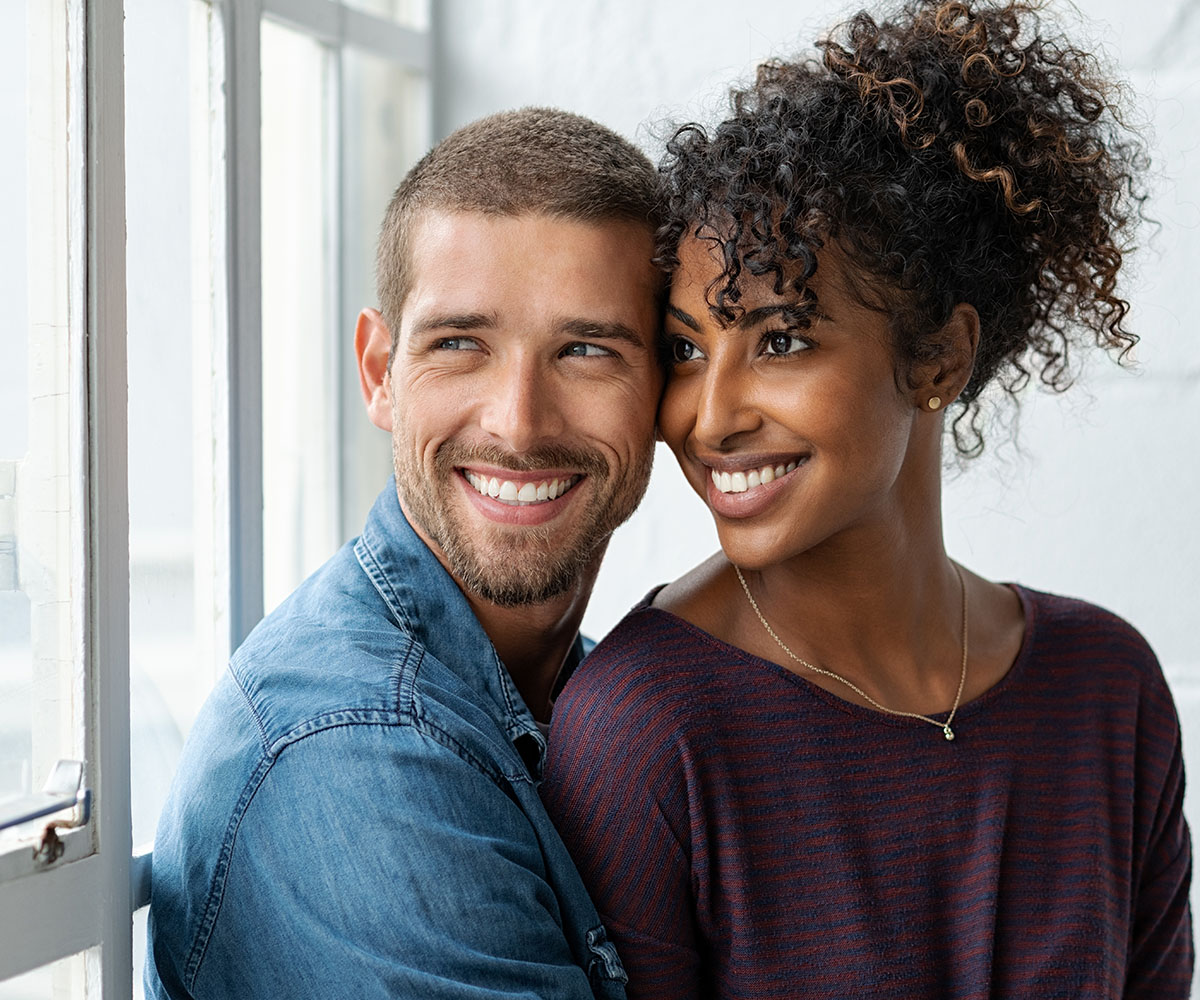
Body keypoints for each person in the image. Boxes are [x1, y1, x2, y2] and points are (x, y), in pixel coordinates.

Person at [542, 2, 1193, 997]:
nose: (710, 418)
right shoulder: (642, 733)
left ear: (940, 358)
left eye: (782, 340)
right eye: (685, 348)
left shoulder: (1108, 689)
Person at [144, 108, 664, 999]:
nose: (518, 423)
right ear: (379, 371)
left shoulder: (584, 691)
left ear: (669, 385)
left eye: (586, 350)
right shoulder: (356, 751)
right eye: (460, 344)